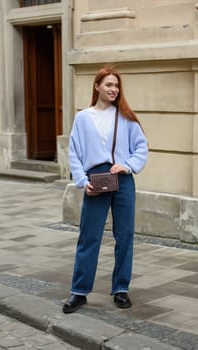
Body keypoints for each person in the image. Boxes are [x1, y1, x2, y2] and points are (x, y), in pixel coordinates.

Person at [63, 66, 148, 314]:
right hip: (95, 180)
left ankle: (120, 289)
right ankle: (79, 292)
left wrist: (129, 165)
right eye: (109, 85)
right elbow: (74, 153)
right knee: (89, 235)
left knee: (125, 236)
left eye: (116, 86)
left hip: (122, 181)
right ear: (97, 86)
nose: (113, 89)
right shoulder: (83, 118)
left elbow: (141, 148)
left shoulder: (125, 116)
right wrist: (81, 180)